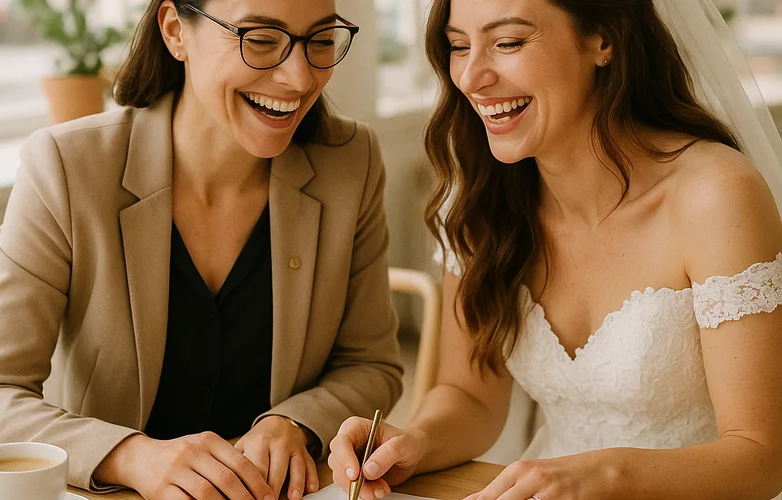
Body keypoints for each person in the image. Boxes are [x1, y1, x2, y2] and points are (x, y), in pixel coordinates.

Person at [328, 0, 782, 499]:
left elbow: (761, 458)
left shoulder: (716, 196)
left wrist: (606, 475)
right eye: (458, 46)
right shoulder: (478, 198)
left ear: (602, 39)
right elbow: (470, 396)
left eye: (508, 43)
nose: (472, 77)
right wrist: (413, 440)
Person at [0, 0, 404, 498]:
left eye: (321, 40)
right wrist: (130, 456)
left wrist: (295, 421)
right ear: (175, 31)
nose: (299, 78)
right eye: (260, 40)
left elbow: (371, 364)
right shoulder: (67, 167)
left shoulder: (351, 160)